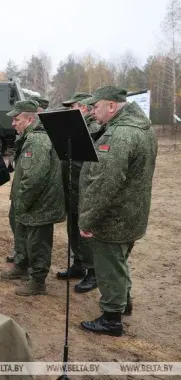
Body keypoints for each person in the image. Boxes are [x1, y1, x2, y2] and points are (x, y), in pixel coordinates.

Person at [78, 86, 157, 337]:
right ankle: (124, 302)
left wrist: (88, 219)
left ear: (112, 106)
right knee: (119, 260)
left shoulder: (119, 135)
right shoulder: (141, 127)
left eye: (96, 107)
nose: (92, 112)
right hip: (132, 212)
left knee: (109, 265)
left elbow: (105, 185)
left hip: (113, 216)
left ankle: (111, 318)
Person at [0, 100, 65, 295]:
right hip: (30, 201)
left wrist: (21, 202)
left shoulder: (37, 140)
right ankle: (21, 266)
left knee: (38, 243)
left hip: (39, 203)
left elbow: (34, 179)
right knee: (24, 236)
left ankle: (38, 281)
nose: (13, 123)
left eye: (16, 119)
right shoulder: (29, 137)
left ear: (30, 119)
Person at [55, 91, 99, 293]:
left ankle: (93, 271)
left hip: (84, 189)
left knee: (85, 233)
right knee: (73, 229)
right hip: (71, 188)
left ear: (83, 107)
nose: (69, 111)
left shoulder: (94, 128)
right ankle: (79, 264)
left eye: (72, 107)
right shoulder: (74, 128)